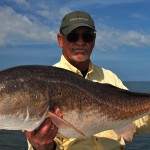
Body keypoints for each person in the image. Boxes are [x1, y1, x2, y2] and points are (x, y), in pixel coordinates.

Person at [25, 11, 150, 150]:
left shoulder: (110, 77)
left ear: (94, 40)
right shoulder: (44, 82)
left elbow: (136, 121)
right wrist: (43, 146)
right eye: (73, 36)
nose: (80, 42)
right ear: (60, 40)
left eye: (87, 36)